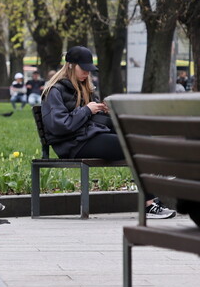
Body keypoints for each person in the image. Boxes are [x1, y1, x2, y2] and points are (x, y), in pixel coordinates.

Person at [41, 45, 175, 219]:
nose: (87, 74)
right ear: (71, 66)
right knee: (134, 144)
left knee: (142, 138)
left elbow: (91, 121)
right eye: (84, 69)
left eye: (90, 70)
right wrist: (87, 110)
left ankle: (154, 191)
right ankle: (149, 201)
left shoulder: (85, 87)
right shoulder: (55, 91)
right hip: (73, 144)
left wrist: (105, 113)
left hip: (89, 137)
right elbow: (60, 126)